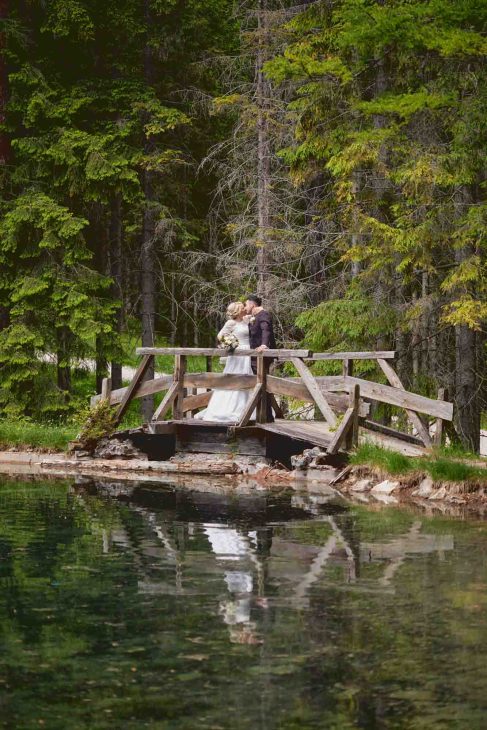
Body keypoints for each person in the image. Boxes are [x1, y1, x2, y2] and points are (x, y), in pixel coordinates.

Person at [195, 301, 253, 422]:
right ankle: (230, 409)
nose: (244, 309)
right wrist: (232, 344)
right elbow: (221, 335)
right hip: (238, 354)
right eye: (242, 308)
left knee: (248, 378)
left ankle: (249, 409)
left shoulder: (246, 321)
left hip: (248, 353)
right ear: (237, 311)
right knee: (234, 378)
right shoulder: (231, 323)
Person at [245, 294, 276, 421]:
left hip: (260, 356)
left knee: (261, 383)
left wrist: (264, 344)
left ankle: (266, 415)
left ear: (252, 305)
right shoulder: (255, 316)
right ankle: (266, 415)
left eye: (246, 304)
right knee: (259, 384)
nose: (245, 307)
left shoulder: (264, 315)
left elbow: (266, 330)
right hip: (254, 356)